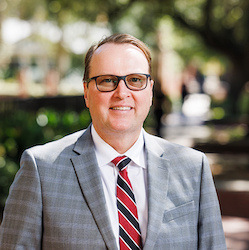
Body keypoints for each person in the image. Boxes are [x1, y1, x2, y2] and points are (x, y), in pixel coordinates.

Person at [0, 34, 226, 249]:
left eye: (135, 80)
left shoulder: (193, 168)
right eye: (107, 81)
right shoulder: (41, 169)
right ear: (86, 93)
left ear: (150, 91)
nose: (122, 92)